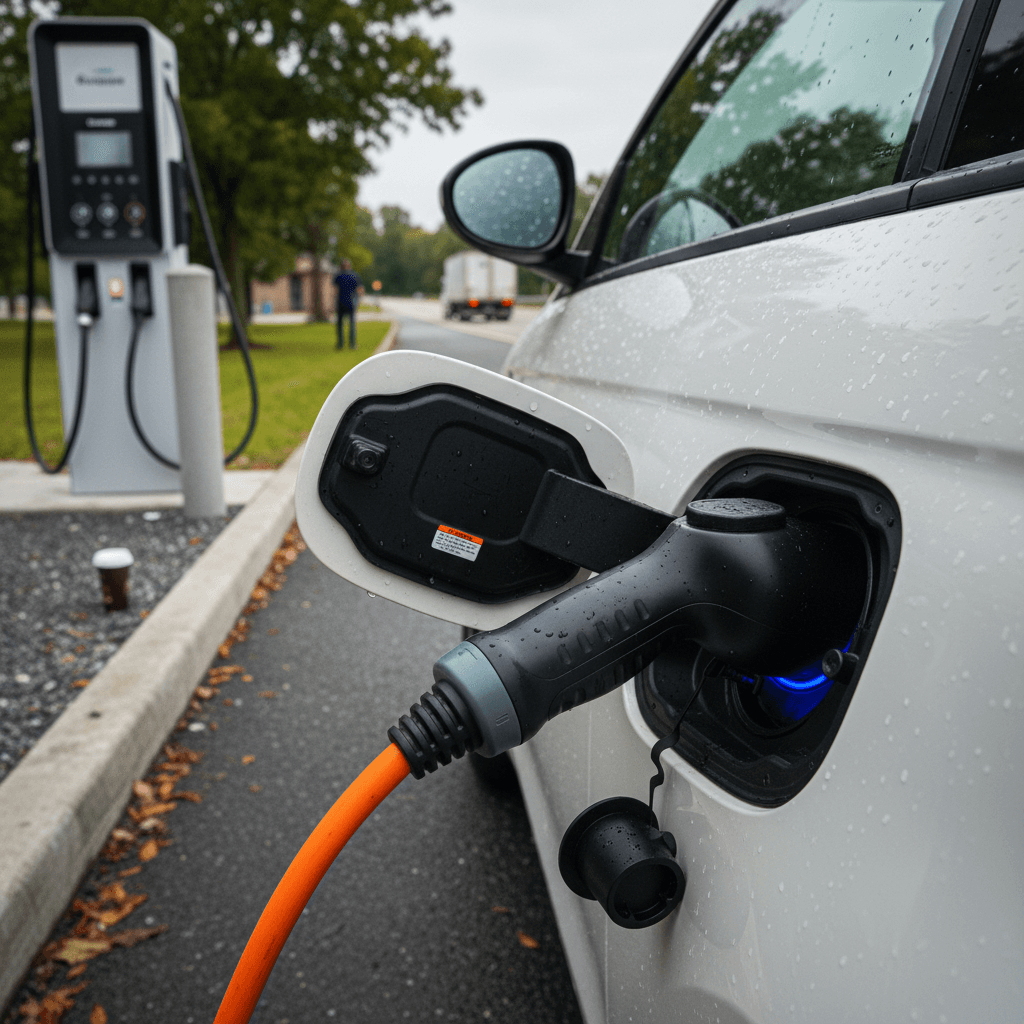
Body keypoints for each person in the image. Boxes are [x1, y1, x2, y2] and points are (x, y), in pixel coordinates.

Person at [333, 259, 364, 349]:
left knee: (340, 324)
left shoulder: (338, 276)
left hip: (340, 302)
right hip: (351, 302)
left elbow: (335, 290)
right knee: (352, 324)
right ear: (349, 266)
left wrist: (332, 304)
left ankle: (340, 344)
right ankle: (352, 344)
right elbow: (360, 290)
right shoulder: (355, 275)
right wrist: (359, 301)